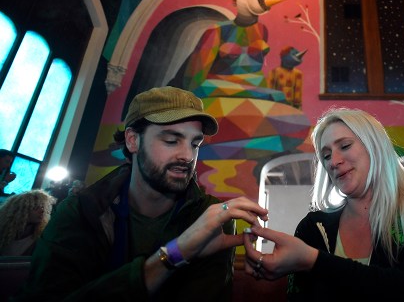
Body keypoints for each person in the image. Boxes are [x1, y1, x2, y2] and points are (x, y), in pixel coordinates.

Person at [14, 86, 268, 301]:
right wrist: (175, 253)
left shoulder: (210, 217)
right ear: (133, 141)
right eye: (171, 140)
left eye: (195, 143)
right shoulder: (81, 211)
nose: (188, 156)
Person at [243, 108, 404, 301]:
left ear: (375, 146)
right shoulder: (313, 226)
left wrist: (314, 261)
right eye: (326, 156)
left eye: (345, 146)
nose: (334, 161)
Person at [0, 190, 56, 256]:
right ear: (21, 209)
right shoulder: (3, 232)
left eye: (43, 207)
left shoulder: (42, 237)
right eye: (36, 207)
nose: (42, 211)